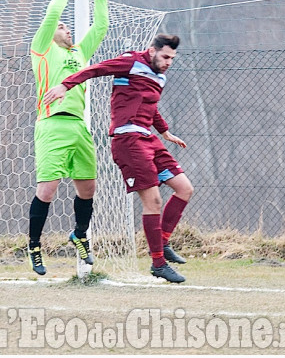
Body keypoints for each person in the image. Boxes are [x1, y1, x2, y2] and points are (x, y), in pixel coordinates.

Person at [42, 34, 193, 283]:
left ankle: (162, 243)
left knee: (184, 189)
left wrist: (164, 131)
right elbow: (95, 69)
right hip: (128, 140)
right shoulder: (130, 62)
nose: (168, 62)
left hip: (149, 138)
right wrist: (65, 85)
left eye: (172, 59)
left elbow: (150, 105)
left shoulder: (160, 75)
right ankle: (158, 263)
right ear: (152, 50)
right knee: (153, 201)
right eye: (165, 56)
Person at [27, 0, 109, 275]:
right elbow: (51, 15)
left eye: (67, 25)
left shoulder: (80, 53)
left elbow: (100, 27)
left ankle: (79, 234)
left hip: (79, 126)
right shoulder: (43, 48)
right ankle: (34, 246)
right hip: (51, 125)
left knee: (87, 188)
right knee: (47, 190)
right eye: (63, 26)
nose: (66, 27)